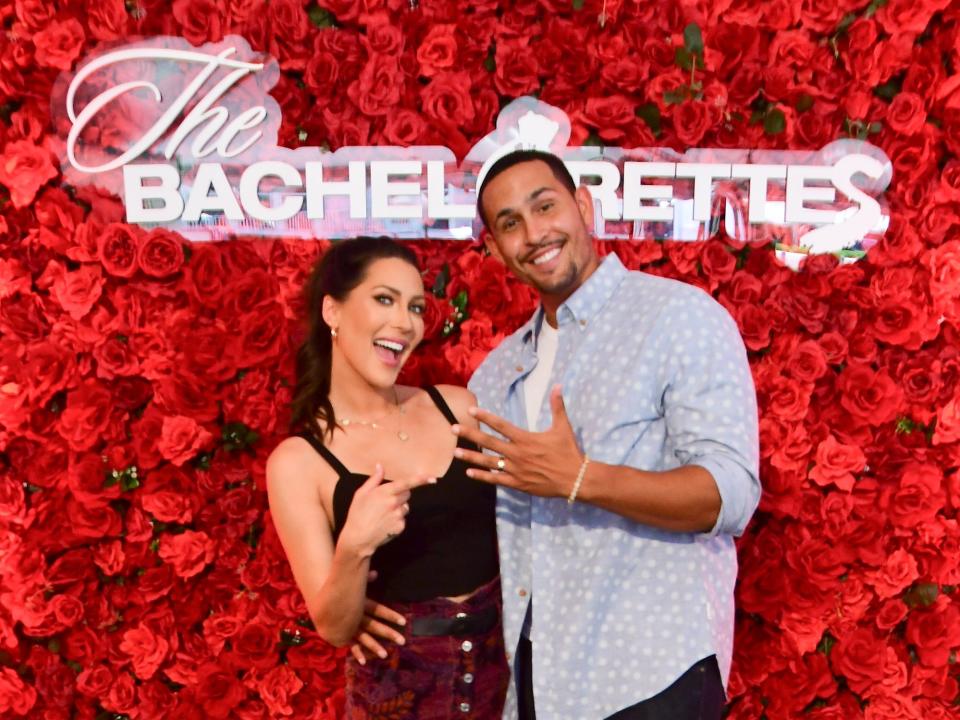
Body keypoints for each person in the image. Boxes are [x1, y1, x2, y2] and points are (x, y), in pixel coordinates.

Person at [450, 149, 761, 719]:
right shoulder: (494, 374)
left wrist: (583, 480)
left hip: (652, 678)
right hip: (539, 681)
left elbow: (730, 495)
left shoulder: (677, 316)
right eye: (510, 223)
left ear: (583, 206)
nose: (535, 233)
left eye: (545, 206)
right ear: (495, 249)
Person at [266, 237, 509, 719]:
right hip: (398, 699)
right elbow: (335, 627)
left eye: (415, 306)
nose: (405, 322)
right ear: (332, 312)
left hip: (504, 686)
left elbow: (529, 517)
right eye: (384, 299)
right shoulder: (298, 463)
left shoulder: (456, 406)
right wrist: (354, 547)